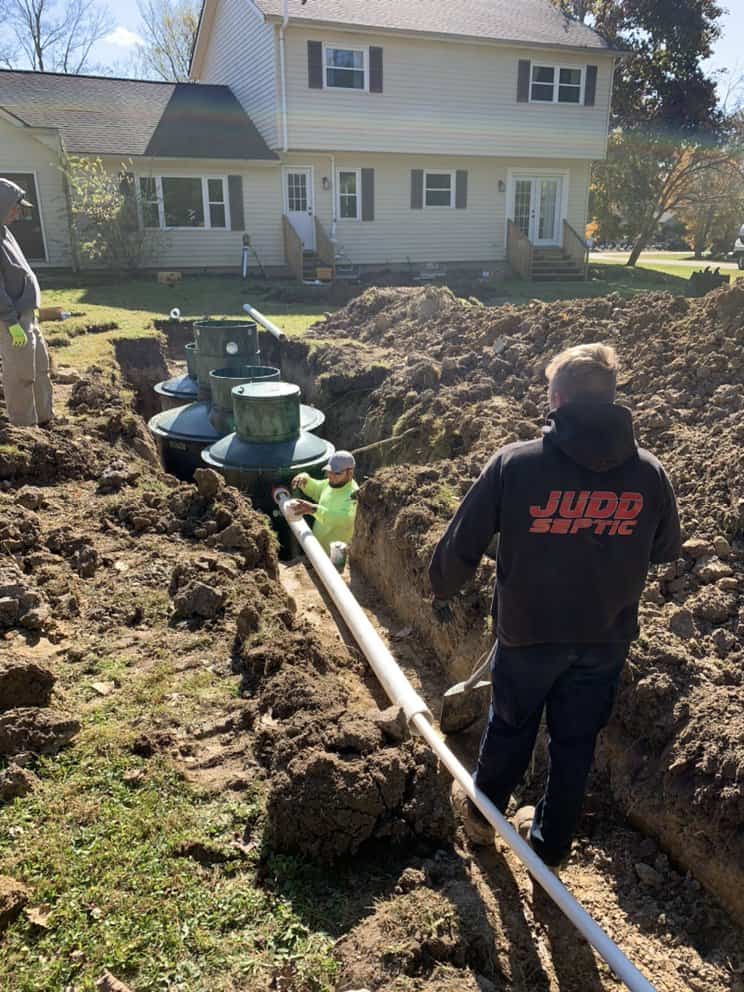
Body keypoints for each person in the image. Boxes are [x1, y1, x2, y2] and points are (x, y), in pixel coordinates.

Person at [429, 343, 680, 871]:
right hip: (605, 639)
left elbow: (462, 542)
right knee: (575, 745)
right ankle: (550, 845)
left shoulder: (517, 464)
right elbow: (664, 549)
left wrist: (442, 586)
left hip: (529, 636)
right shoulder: (650, 473)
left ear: (559, 397)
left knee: (512, 729)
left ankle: (482, 822)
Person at [0, 178, 53, 428]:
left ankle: (45, 419)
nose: (18, 213)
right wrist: (11, 322)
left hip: (25, 314)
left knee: (41, 369)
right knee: (21, 375)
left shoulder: (5, 231)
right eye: (14, 207)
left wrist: (31, 308)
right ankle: (26, 430)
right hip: (11, 320)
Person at [291, 450, 359, 555]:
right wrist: (305, 479)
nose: (330, 476)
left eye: (336, 473)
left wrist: (314, 509)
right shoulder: (331, 483)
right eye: (329, 471)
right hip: (316, 549)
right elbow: (316, 489)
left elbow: (343, 519)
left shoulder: (353, 495)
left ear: (350, 473)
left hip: (334, 557)